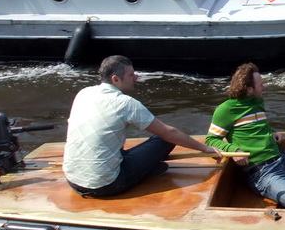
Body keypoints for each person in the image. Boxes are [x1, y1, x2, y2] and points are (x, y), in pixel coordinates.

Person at [63, 55, 222, 197]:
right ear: (115, 79)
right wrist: (204, 148)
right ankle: (144, 170)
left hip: (73, 180)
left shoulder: (84, 93)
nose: (136, 78)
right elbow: (169, 133)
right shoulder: (125, 103)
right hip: (106, 185)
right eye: (131, 75)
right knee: (163, 140)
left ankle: (145, 169)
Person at [206, 62, 285, 209]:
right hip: (262, 174)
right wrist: (233, 151)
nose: (264, 87)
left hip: (282, 162)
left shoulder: (258, 102)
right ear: (249, 89)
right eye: (260, 84)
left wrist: (271, 132)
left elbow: (256, 126)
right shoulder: (226, 109)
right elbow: (211, 140)